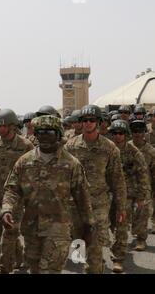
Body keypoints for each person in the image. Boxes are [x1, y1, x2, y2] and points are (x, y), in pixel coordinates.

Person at [2, 115, 94, 274]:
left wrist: (88, 226)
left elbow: (83, 198)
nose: (44, 137)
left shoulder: (71, 164)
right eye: (40, 133)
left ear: (58, 135)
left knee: (49, 271)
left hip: (58, 230)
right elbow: (12, 189)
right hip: (31, 229)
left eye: (49, 133)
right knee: (35, 270)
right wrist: (7, 209)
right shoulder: (24, 162)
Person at [65, 105, 127, 274]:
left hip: (99, 203)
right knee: (77, 245)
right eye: (85, 120)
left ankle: (94, 268)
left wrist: (121, 207)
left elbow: (118, 179)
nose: (88, 123)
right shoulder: (70, 146)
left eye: (92, 120)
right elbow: (63, 176)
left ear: (99, 122)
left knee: (95, 245)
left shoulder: (109, 148)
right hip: (75, 204)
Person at [0, 108, 34, 271]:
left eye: (3, 125)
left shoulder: (26, 145)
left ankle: (4, 267)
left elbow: (32, 172)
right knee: (11, 229)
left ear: (12, 126)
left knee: (9, 232)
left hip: (17, 197)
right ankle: (21, 258)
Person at [108, 120, 151, 273]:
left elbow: (143, 175)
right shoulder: (104, 149)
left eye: (121, 133)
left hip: (125, 194)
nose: (117, 136)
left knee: (121, 226)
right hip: (104, 194)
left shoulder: (134, 152)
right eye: (114, 133)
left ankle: (118, 258)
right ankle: (87, 257)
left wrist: (141, 196)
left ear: (125, 135)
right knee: (105, 226)